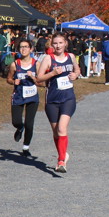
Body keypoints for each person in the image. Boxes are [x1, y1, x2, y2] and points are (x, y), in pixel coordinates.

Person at [36, 32, 79, 173]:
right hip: (52, 100)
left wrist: (76, 75)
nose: (58, 46)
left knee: (61, 128)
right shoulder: (48, 59)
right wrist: (53, 73)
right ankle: (63, 154)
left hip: (68, 98)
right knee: (56, 132)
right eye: (55, 43)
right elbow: (39, 78)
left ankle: (61, 161)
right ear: (51, 44)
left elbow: (77, 69)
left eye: (61, 43)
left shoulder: (71, 57)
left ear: (65, 43)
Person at [7, 38, 40, 157]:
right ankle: (20, 128)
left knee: (29, 124)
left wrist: (34, 78)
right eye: (21, 47)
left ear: (31, 49)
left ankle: (26, 147)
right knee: (16, 121)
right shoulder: (15, 64)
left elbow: (41, 82)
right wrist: (13, 81)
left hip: (32, 96)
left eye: (26, 47)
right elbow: (8, 79)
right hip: (19, 95)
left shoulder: (37, 64)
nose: (23, 49)